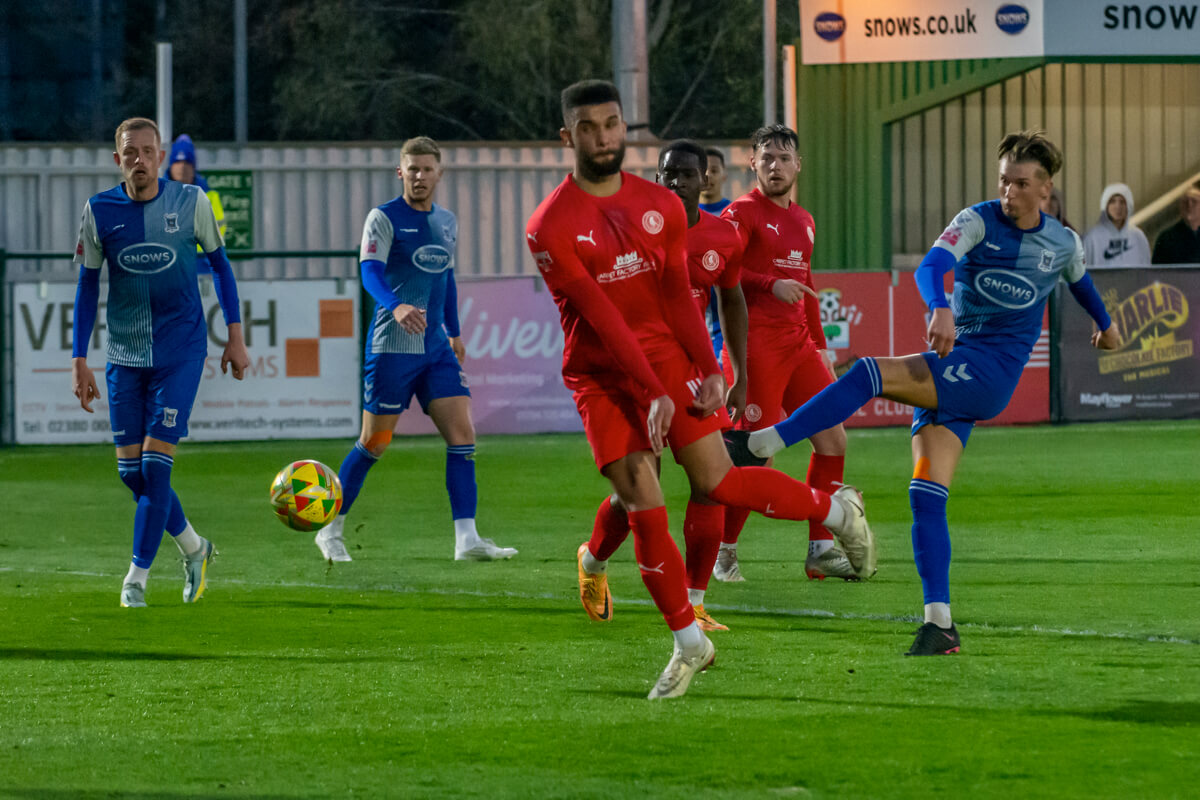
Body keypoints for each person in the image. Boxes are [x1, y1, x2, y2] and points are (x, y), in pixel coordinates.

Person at [525, 80, 875, 699]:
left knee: (718, 480)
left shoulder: (652, 208)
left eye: (612, 124)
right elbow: (602, 316)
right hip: (602, 373)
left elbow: (673, 296)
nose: (603, 137)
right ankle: (687, 640)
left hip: (664, 359)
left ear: (623, 128)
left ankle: (834, 511)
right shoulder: (549, 225)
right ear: (568, 136)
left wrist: (709, 367)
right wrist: (653, 388)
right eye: (588, 127)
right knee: (643, 496)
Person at [737, 130, 1121, 655]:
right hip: (956, 362)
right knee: (925, 493)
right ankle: (939, 625)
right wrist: (939, 304)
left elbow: (1081, 282)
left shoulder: (1063, 243)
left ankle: (764, 443)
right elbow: (931, 265)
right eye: (1004, 180)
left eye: (1022, 183)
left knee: (870, 372)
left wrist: (1105, 323)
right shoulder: (978, 220)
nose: (1009, 191)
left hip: (988, 374)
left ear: (1046, 189)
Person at [71, 117, 250, 608]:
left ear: (161, 155)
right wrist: (78, 358)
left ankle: (135, 579)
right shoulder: (99, 211)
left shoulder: (190, 202)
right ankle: (196, 548)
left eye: (149, 152)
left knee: (154, 467)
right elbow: (87, 286)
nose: (140, 160)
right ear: (118, 159)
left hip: (181, 351)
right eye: (131, 152)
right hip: (125, 356)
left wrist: (235, 336)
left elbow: (221, 265)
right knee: (132, 475)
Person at [317, 136, 517, 564]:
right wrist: (396, 304)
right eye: (413, 169)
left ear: (439, 173)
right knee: (375, 441)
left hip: (434, 348)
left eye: (427, 169)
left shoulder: (446, 221)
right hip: (392, 347)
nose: (420, 176)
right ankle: (330, 528)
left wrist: (455, 331)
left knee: (462, 435)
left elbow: (445, 279)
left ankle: (467, 539)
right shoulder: (384, 218)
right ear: (400, 173)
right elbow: (369, 273)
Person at [716, 124, 860, 583]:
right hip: (755, 348)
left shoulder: (806, 220)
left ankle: (820, 548)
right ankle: (724, 551)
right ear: (752, 165)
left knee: (833, 440)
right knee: (754, 457)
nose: (775, 165)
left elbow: (807, 287)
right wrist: (768, 283)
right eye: (767, 158)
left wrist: (821, 347)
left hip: (798, 348)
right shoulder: (740, 214)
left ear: (799, 165)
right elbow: (724, 276)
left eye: (784, 157)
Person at [165, 134, 227, 273]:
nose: (182, 167)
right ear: (171, 166)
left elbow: (217, 232)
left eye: (187, 163)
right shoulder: (156, 194)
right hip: (169, 269)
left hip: (204, 267)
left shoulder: (210, 196)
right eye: (178, 162)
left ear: (194, 167)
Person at [698, 146, 732, 358]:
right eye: (703, 170)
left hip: (724, 322)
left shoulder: (735, 214)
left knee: (721, 385)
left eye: (714, 170)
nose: (708, 176)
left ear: (724, 175)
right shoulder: (680, 215)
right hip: (692, 322)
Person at [1083, 183, 1151, 267]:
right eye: (1112, 201)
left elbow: (1146, 269)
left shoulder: (1138, 236)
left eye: (1122, 202)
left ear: (1128, 206)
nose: (1118, 206)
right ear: (1105, 206)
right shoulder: (1092, 237)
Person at [1151, 179, 1200, 264]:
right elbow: (1157, 273)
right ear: (1180, 207)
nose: (1189, 205)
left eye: (1194, 201)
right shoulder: (1166, 238)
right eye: (1185, 202)